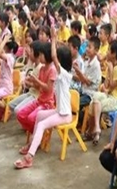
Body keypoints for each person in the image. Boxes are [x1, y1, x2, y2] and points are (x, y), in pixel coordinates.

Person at [14, 31, 73, 169]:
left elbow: (53, 56)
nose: (54, 60)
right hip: (59, 111)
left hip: (65, 115)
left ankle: (29, 157)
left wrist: (53, 39)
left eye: (57, 58)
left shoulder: (64, 74)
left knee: (41, 125)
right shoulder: (61, 74)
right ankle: (33, 143)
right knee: (39, 116)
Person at [86, 40, 117, 145]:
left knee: (94, 103)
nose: (106, 52)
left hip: (115, 100)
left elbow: (109, 88)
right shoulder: (111, 66)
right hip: (108, 96)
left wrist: (110, 71)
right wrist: (109, 71)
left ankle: (92, 132)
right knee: (95, 98)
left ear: (114, 54)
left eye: (109, 50)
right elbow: (105, 87)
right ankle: (96, 129)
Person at [16, 41, 58, 135]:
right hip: (39, 100)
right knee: (20, 115)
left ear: (47, 55)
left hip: (47, 104)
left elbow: (48, 89)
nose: (39, 57)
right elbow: (38, 86)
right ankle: (34, 134)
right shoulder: (42, 68)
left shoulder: (52, 70)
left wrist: (36, 80)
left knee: (31, 118)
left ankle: (35, 136)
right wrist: (30, 81)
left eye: (41, 55)